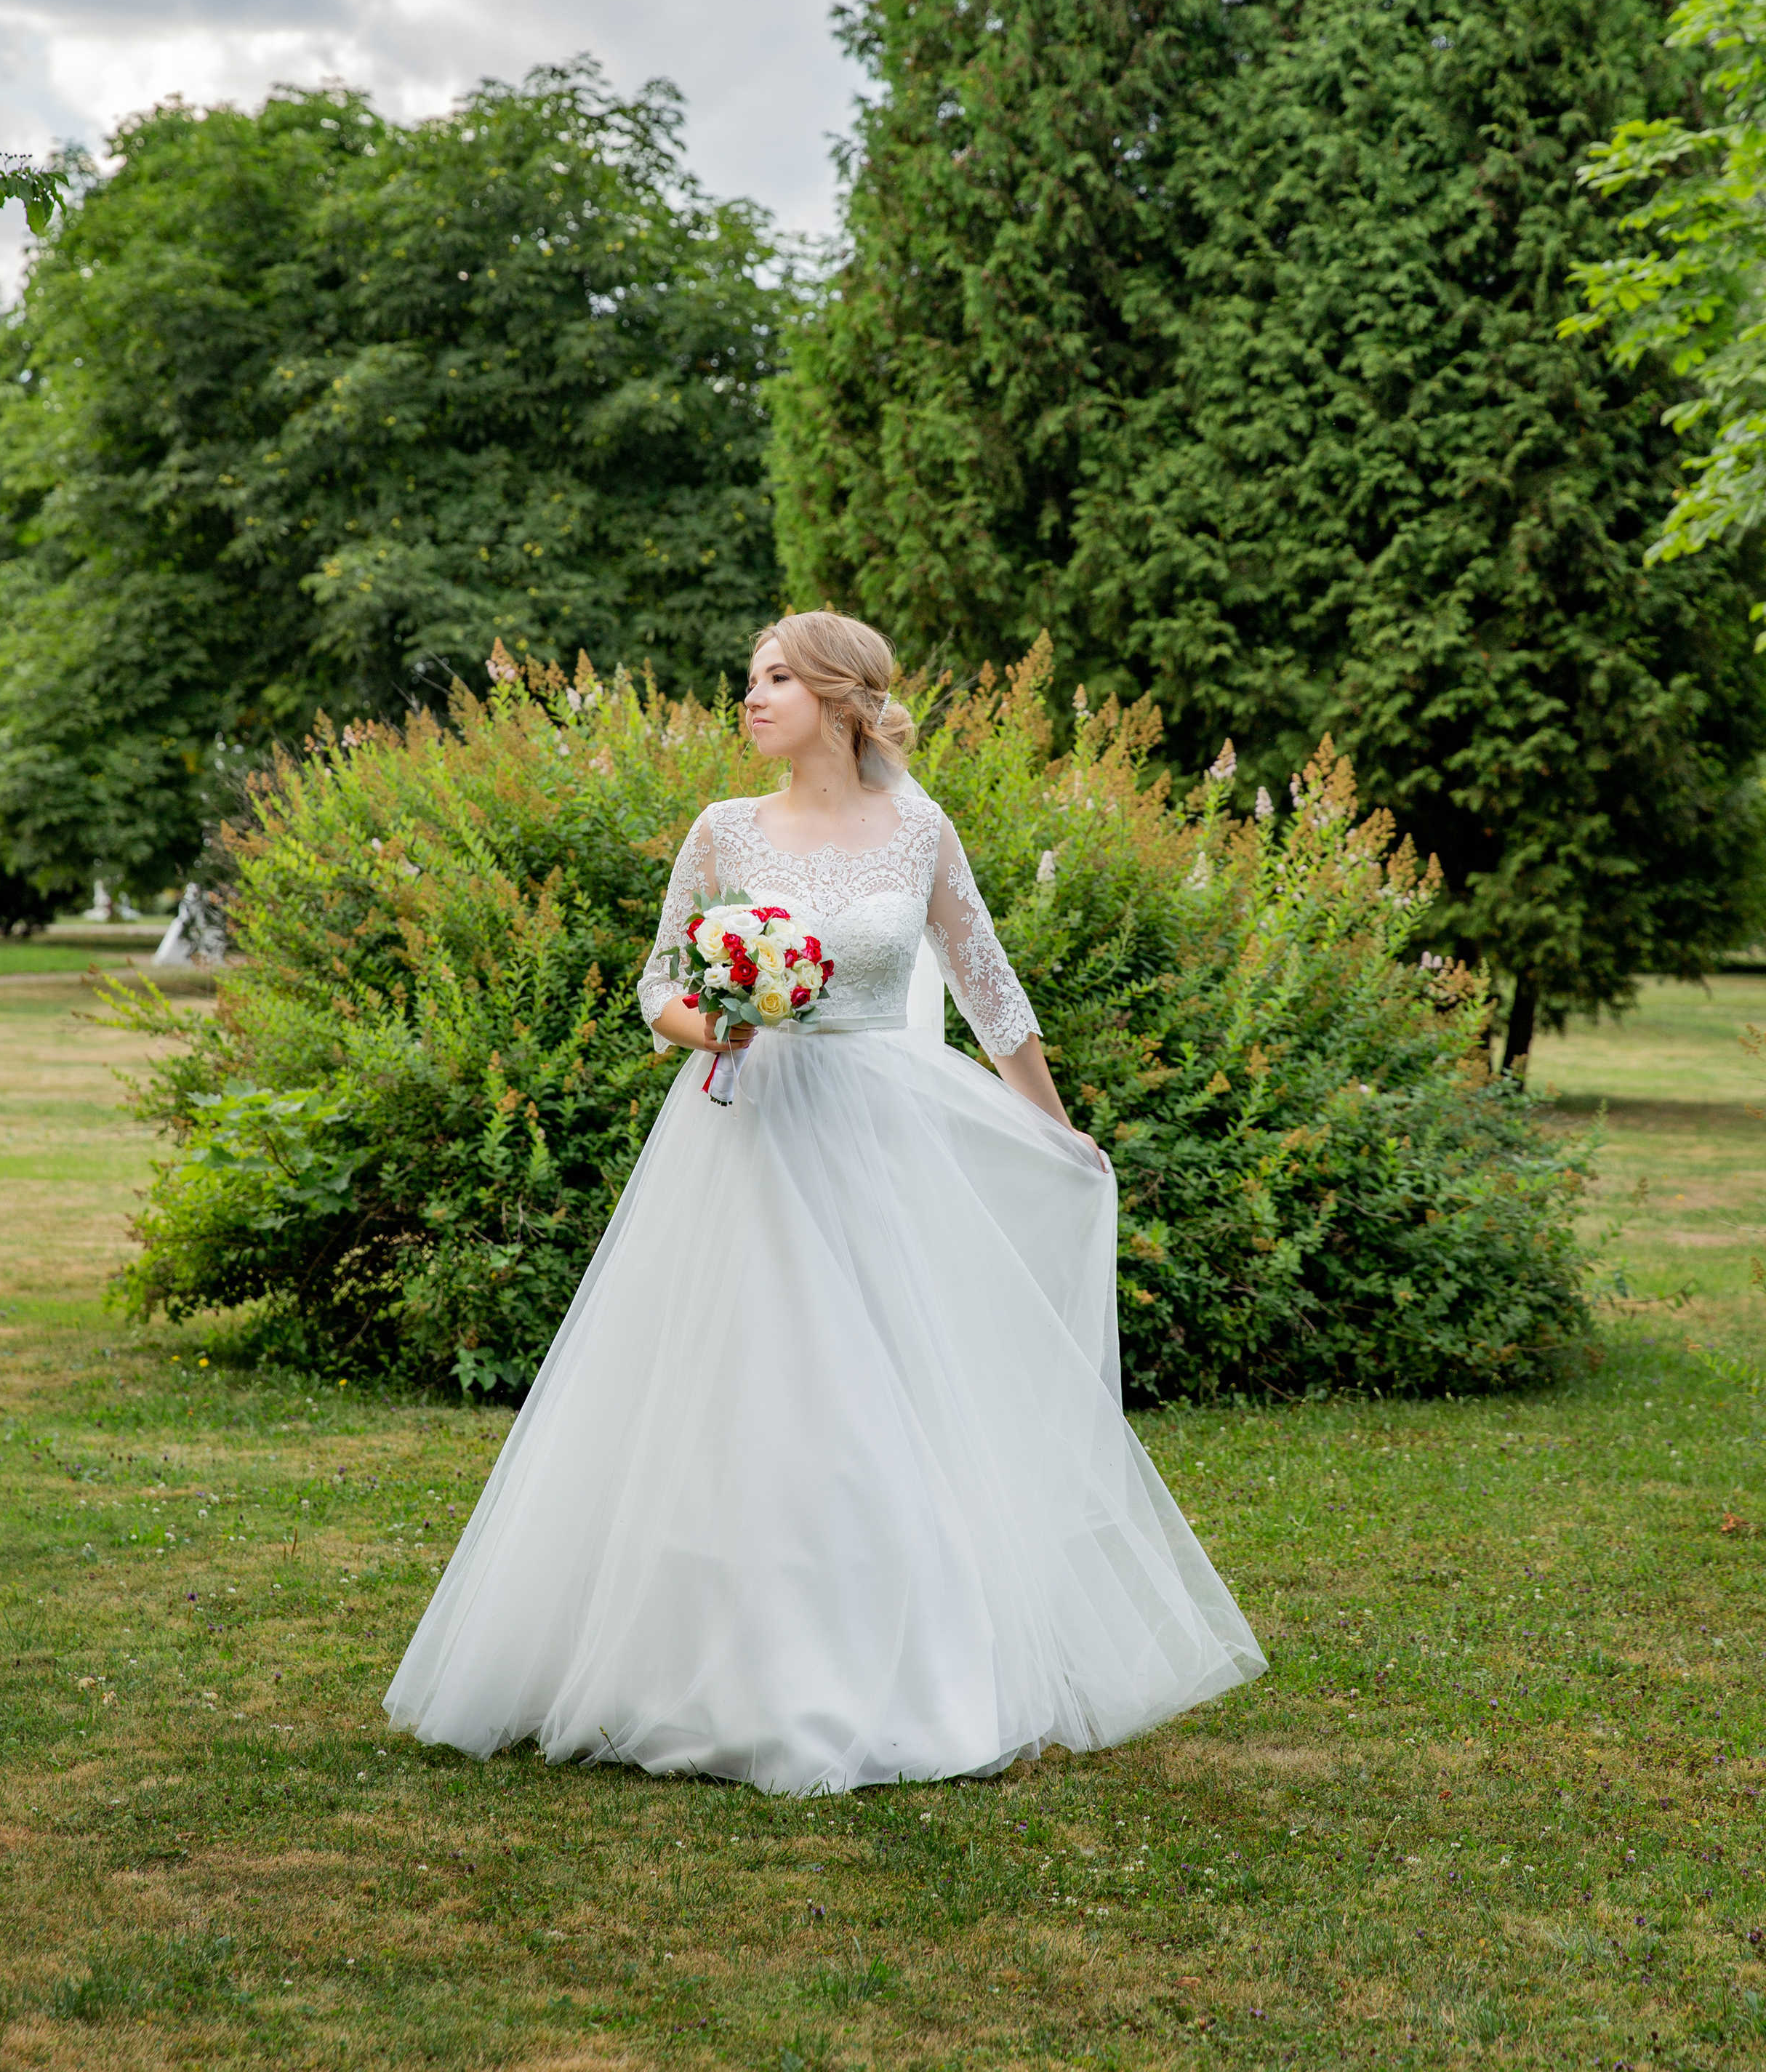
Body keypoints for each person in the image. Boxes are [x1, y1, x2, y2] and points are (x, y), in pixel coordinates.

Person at [384, 610, 1264, 1791]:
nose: (750, 698)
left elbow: (988, 988)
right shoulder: (723, 832)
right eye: (750, 679)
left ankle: (907, 1674)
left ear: (843, 700)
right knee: (742, 1390)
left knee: (885, 1391)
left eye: (776, 678)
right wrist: (723, 1019)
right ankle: (703, 1667)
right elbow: (656, 985)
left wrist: (1055, 1129)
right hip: (742, 1136)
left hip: (882, 1134)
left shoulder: (919, 829)